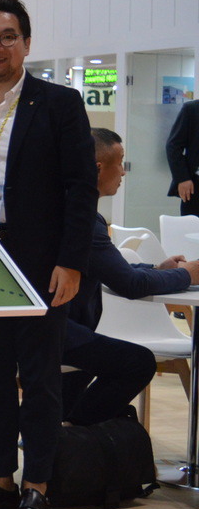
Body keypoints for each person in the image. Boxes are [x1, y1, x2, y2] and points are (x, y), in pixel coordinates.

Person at [0, 0, 98, 509]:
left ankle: (37, 487)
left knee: (39, 379)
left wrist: (71, 262)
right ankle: (1, 482)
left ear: (26, 44)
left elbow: (81, 188)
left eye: (8, 37)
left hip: (39, 263)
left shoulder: (58, 103)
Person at [62, 128, 199, 425]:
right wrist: (185, 275)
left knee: (94, 362)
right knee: (138, 362)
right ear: (98, 168)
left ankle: (61, 431)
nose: (124, 172)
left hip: (48, 329)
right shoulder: (83, 220)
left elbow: (113, 270)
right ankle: (73, 432)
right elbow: (130, 285)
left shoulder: (64, 207)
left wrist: (158, 270)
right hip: (56, 334)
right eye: (120, 161)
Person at [165, 98, 199, 216]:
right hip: (195, 184)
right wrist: (183, 178)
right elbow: (173, 146)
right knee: (192, 225)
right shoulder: (192, 109)